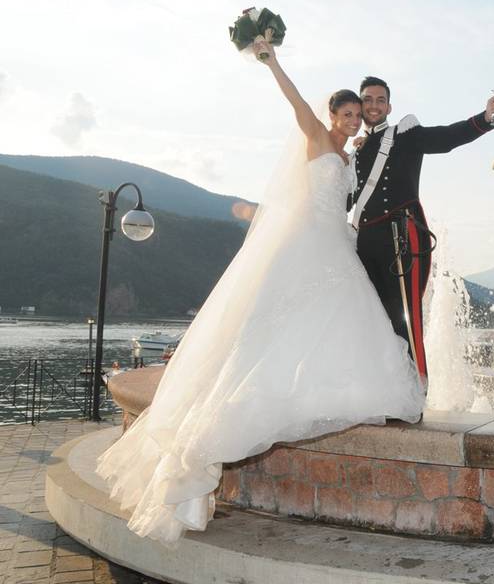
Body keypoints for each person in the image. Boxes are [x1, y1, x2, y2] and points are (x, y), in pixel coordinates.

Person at [96, 40, 425, 544]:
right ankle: (213, 439)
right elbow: (294, 100)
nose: (355, 120)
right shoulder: (316, 134)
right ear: (332, 113)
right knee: (280, 323)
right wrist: (271, 60)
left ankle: (335, 391)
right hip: (307, 241)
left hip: (337, 242)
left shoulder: (351, 151)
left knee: (342, 321)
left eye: (360, 115)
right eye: (348, 112)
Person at [351, 76, 494, 385]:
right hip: (365, 241)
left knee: (406, 318)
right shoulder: (356, 151)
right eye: (368, 99)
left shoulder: (405, 134)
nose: (373, 105)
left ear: (389, 106)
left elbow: (446, 138)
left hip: (401, 237)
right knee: (375, 319)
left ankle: (414, 393)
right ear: (360, 104)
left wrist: (487, 118)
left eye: (380, 100)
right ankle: (384, 391)